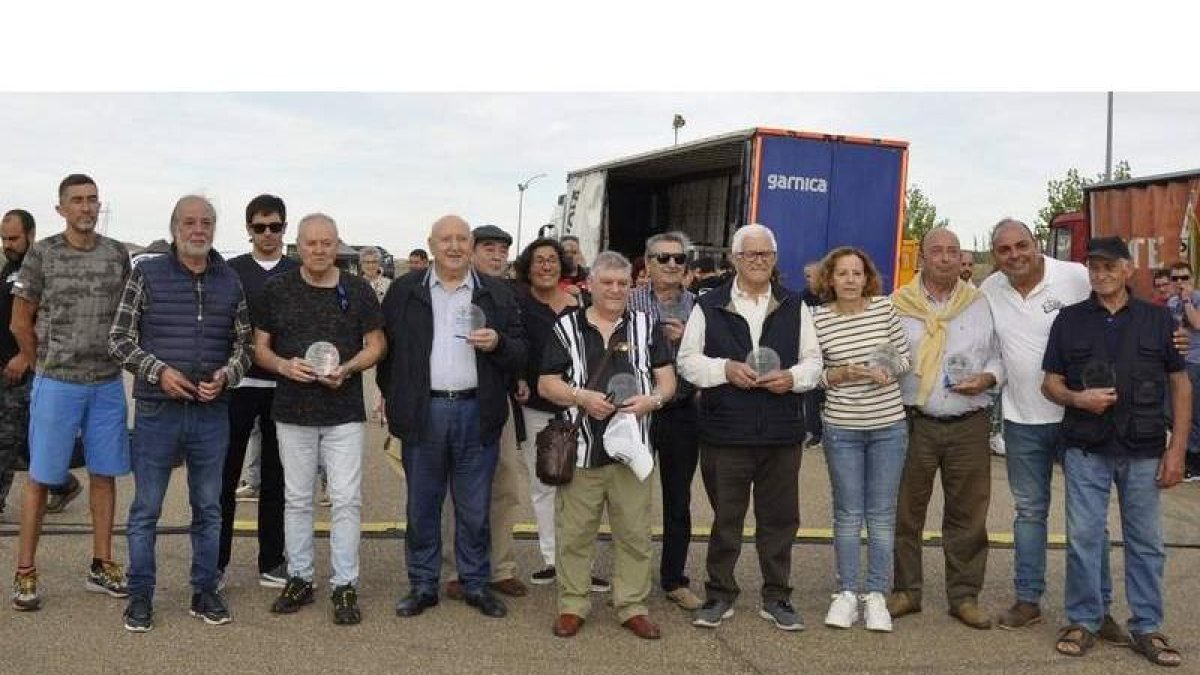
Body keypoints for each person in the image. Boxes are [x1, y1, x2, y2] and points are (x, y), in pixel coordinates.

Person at [1042, 236, 1190, 667]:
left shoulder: (1158, 320)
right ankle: (1086, 620)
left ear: (1128, 270)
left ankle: (1147, 626)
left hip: (1144, 449)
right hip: (1086, 447)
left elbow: (1180, 385)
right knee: (1084, 537)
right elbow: (1049, 382)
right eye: (1094, 267)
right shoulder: (1069, 321)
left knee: (1145, 542)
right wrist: (1077, 398)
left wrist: (1177, 449)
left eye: (1109, 267)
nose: (1101, 274)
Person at [109, 195, 252, 632]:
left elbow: (244, 347)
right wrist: (158, 372)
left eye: (206, 222)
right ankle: (139, 595)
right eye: (189, 222)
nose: (199, 229)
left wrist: (227, 375)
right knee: (146, 509)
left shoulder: (230, 281)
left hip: (212, 413)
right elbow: (119, 339)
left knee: (209, 507)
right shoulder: (146, 273)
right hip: (157, 411)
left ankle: (205, 589)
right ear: (174, 228)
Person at [981, 218, 1122, 637]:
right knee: (1029, 514)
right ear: (996, 256)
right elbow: (987, 348)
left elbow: (1123, 309)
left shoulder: (1076, 276)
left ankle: (1099, 608)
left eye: (1021, 245)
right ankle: (1029, 600)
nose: (1015, 255)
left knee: (1089, 519)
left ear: (1037, 242)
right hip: (1022, 420)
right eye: (1004, 250)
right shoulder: (990, 290)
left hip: (1079, 419)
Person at [678, 223, 823, 632]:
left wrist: (792, 379)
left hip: (781, 432)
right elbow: (687, 361)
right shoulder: (709, 305)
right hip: (726, 432)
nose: (757, 261)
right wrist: (724, 369)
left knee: (779, 519)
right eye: (749, 254)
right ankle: (720, 594)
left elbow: (814, 363)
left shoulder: (796, 306)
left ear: (774, 259)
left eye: (765, 254)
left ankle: (777, 596)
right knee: (727, 519)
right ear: (734, 259)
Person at [380, 215, 526, 621]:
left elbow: (519, 352)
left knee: (475, 507)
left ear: (471, 245)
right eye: (447, 239)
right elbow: (387, 353)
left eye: (463, 239)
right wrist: (396, 398)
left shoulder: (495, 292)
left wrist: (498, 343)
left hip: (476, 411)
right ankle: (423, 584)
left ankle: (475, 583)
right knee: (422, 505)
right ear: (431, 244)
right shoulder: (404, 290)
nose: (455, 246)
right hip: (424, 412)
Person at [254, 213, 386, 625]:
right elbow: (260, 347)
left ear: (337, 244)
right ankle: (300, 577)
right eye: (311, 243)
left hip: (343, 411)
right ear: (298, 245)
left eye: (326, 243)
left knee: (346, 499)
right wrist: (282, 366)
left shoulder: (358, 288)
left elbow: (377, 344)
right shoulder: (277, 288)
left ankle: (344, 584)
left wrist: (347, 369)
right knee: (296, 498)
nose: (318, 250)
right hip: (292, 410)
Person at [538, 251, 677, 640]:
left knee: (633, 533)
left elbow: (668, 380)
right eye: (608, 283)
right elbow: (545, 383)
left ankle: (631, 605)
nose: (616, 290)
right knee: (576, 532)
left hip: (632, 452)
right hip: (582, 450)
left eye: (623, 283)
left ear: (632, 287)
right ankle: (572, 604)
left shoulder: (648, 327)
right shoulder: (565, 327)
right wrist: (581, 397)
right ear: (590, 285)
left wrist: (654, 401)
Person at [10, 174, 132, 612]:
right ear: (61, 209)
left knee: (104, 475)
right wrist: (39, 362)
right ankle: (25, 570)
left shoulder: (117, 254)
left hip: (105, 384)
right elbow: (20, 320)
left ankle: (102, 564)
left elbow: (129, 318)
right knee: (41, 479)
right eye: (77, 201)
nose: (86, 207)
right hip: (57, 383)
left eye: (92, 199)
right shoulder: (43, 255)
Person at [888, 227, 1002, 630]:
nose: (946, 257)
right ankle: (905, 591)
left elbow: (997, 357)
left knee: (968, 514)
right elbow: (884, 354)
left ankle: (964, 596)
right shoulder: (897, 304)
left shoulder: (980, 304)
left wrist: (987, 379)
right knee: (905, 511)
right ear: (922, 257)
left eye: (954, 251)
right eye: (937, 250)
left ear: (961, 259)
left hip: (968, 422)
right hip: (911, 422)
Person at [810, 247, 911, 632]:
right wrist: (844, 373)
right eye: (842, 273)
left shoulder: (884, 309)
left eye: (857, 273)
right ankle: (847, 593)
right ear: (829, 279)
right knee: (848, 514)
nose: (850, 279)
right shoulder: (818, 319)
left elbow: (904, 358)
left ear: (867, 277)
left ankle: (876, 596)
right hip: (842, 427)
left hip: (888, 426)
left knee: (882, 516)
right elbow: (814, 374)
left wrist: (883, 369)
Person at [440, 224, 530, 599]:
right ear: (471, 251)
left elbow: (520, 345)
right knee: (456, 491)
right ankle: (455, 569)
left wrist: (515, 368)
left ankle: (500, 567)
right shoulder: (445, 291)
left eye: (503, 250)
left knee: (505, 484)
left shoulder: (507, 294)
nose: (497, 255)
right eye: (489, 248)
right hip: (450, 400)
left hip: (497, 401)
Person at [217, 194, 298, 591]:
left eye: (276, 226)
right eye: (260, 226)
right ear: (248, 228)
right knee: (225, 475)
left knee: (276, 478)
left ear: (285, 227)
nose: (268, 234)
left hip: (284, 387)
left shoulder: (299, 271)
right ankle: (215, 563)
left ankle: (272, 560)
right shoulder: (229, 271)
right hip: (238, 386)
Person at [624, 232, 703, 610]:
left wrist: (689, 337)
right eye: (663, 258)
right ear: (647, 262)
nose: (672, 264)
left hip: (683, 412)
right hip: (638, 411)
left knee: (677, 501)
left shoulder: (701, 306)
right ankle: (630, 579)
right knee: (629, 499)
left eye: (679, 258)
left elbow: (720, 353)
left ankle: (674, 580)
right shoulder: (628, 301)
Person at [0, 209, 82, 517]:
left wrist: (25, 355)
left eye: (13, 238)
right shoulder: (9, 266)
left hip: (26, 369)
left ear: (31, 234)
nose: (7, 244)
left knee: (7, 440)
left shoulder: (40, 267)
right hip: (5, 367)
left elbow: (50, 319)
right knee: (24, 441)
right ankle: (63, 483)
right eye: (3, 238)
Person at [511, 237, 581, 586]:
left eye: (552, 259)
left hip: (578, 407)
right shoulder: (518, 305)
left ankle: (577, 560)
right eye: (539, 260)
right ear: (528, 266)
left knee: (580, 486)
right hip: (536, 407)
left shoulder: (579, 305)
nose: (546, 266)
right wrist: (519, 379)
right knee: (544, 484)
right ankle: (552, 558)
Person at [1165, 261, 1200, 480]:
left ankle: (1195, 462)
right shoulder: (1171, 302)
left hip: (1196, 362)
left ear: (1193, 279)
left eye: (1184, 278)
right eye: (1175, 279)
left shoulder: (1196, 298)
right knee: (1174, 411)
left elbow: (1197, 324)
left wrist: (1187, 300)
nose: (1180, 283)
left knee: (1194, 414)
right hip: (1178, 363)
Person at [358, 245, 391, 423]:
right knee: (364, 373)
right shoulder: (355, 284)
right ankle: (365, 406)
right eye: (366, 262)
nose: (370, 265)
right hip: (360, 334)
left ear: (379, 263)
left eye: (373, 262)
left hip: (382, 333)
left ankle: (382, 407)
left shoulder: (388, 284)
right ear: (361, 264)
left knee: (382, 371)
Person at [800, 261, 825, 449]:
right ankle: (815, 433)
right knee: (811, 395)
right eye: (806, 276)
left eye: (811, 275)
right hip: (811, 353)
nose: (807, 280)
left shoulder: (832, 299)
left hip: (832, 353)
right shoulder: (801, 299)